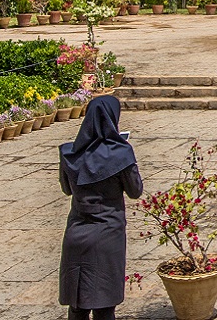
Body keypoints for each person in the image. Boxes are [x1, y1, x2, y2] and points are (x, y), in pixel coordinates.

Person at [59, 95, 143, 320]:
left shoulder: (69, 153)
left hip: (76, 233)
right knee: (105, 306)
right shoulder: (121, 154)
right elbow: (135, 191)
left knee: (77, 306)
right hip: (107, 235)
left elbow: (67, 189)